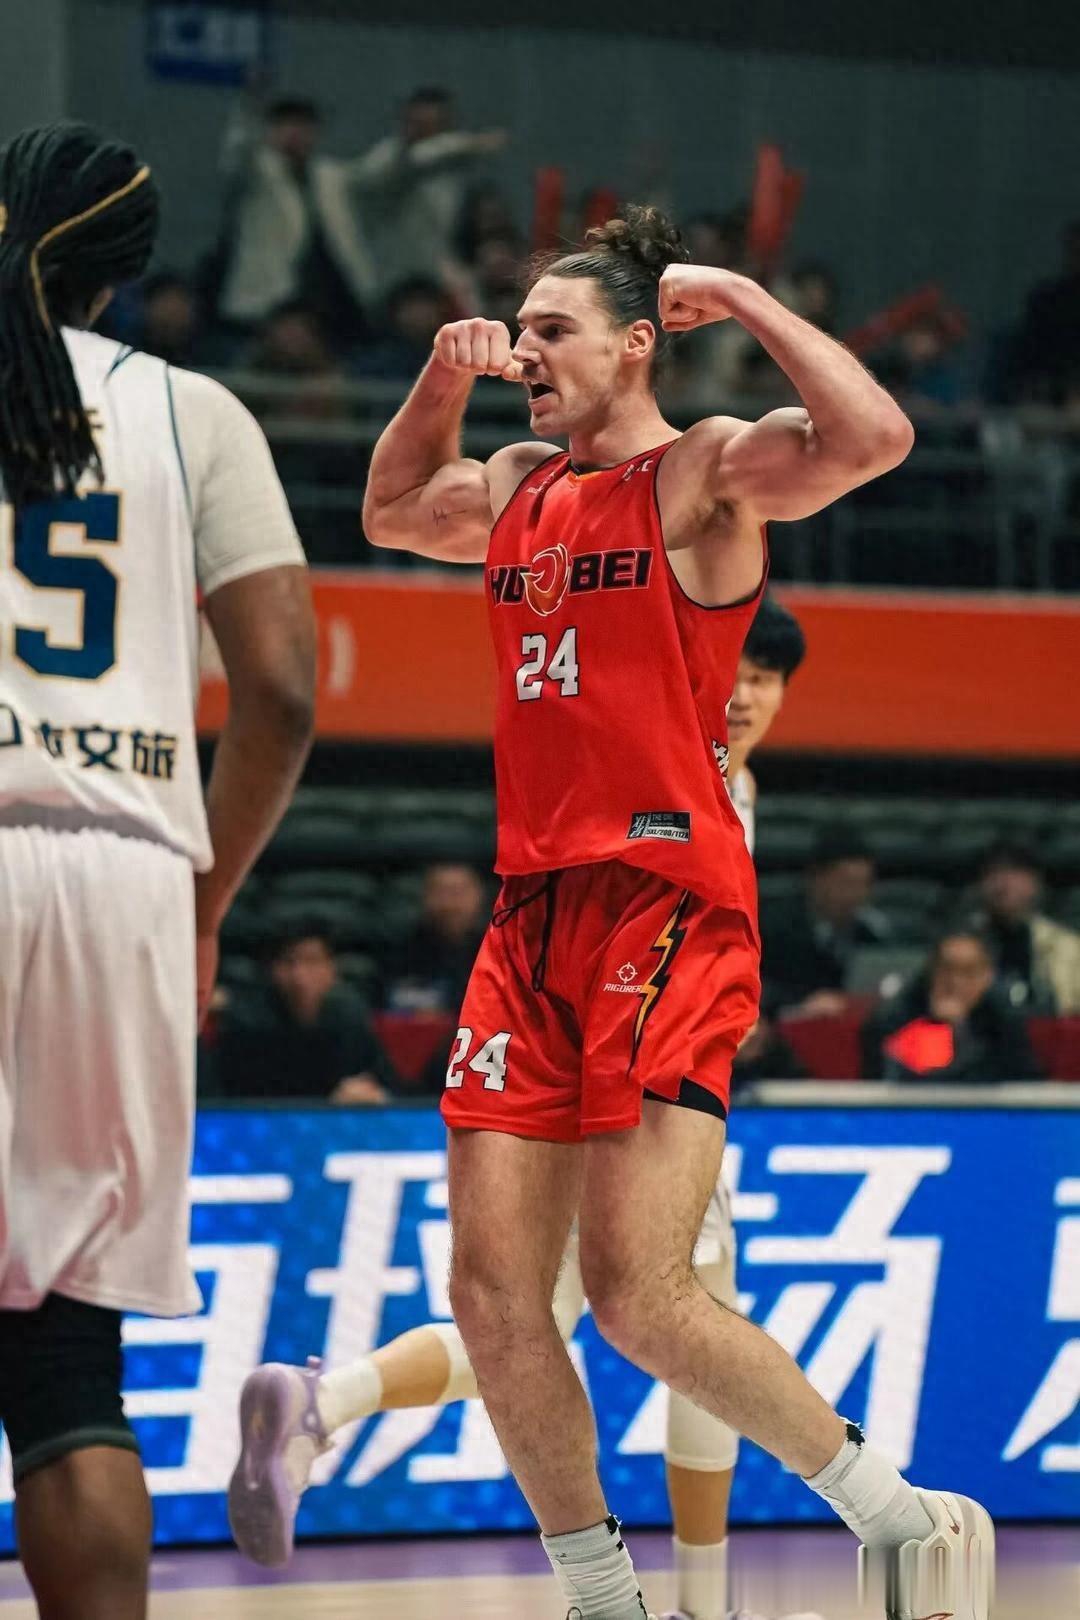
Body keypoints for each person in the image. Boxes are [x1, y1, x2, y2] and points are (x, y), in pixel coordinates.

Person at [230, 205, 992, 1620]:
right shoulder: (518, 481)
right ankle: (603, 1598)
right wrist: (441, 374)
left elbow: (875, 437)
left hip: (666, 904)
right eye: (518, 331)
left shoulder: (704, 473)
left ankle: (899, 1519)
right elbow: (389, 512)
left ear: (637, 344)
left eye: (551, 331)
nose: (526, 352)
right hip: (530, 918)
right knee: (491, 1299)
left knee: (641, 1296)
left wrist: (745, 295)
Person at [0, 123, 315, 1620]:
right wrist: (200, 905)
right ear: (127, 278)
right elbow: (284, 694)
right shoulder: (197, 411)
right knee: (70, 1369)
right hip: (124, 875)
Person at [215, 94, 378, 339]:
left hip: (328, 296)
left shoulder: (331, 176)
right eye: (285, 125)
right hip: (267, 297)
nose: (295, 134)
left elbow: (376, 176)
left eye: (303, 126)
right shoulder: (259, 172)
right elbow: (239, 153)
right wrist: (252, 103)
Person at [210, 922, 395, 1103]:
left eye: (312, 961)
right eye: (288, 962)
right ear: (270, 970)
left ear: (331, 970)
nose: (299, 976)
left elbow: (391, 1088)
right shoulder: (246, 1023)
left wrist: (373, 1094)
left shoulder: (350, 1017)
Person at [352, 87, 507, 300]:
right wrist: (470, 143)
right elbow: (374, 175)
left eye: (438, 124)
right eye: (421, 124)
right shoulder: (387, 159)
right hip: (395, 279)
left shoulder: (460, 169)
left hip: (446, 276)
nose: (430, 132)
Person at [862, 929, 1042, 1083]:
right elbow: (900, 1080)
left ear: (987, 977)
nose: (955, 982)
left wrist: (959, 1031)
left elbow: (1023, 1083)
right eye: (947, 969)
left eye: (969, 972)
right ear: (931, 971)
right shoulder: (897, 1017)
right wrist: (937, 1027)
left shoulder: (1003, 1022)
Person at [761, 828, 892, 1016]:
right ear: (816, 879)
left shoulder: (869, 933)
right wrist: (799, 1003)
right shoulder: (774, 928)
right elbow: (760, 988)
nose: (856, 894)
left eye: (864, 884)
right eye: (846, 883)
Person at [962, 839, 1080, 1014]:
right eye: (992, 873)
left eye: (1013, 873)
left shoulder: (1067, 946)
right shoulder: (961, 942)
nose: (1002, 883)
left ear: (1035, 883)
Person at [382, 862, 489, 1013]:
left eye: (458, 893)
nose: (450, 905)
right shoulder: (401, 951)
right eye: (440, 893)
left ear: (479, 895)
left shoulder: (500, 951)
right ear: (425, 897)